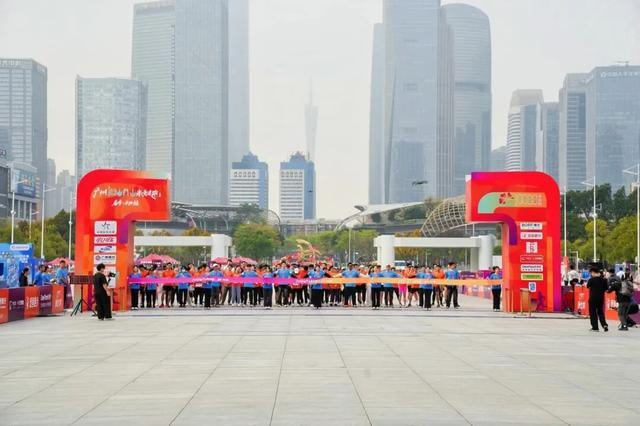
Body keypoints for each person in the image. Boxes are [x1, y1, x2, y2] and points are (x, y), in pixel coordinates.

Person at [586, 267, 609, 332]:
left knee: (593, 313)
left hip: (593, 298)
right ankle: (604, 325)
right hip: (601, 298)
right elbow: (606, 289)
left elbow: (588, 287)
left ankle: (595, 327)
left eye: (591, 273)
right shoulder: (604, 280)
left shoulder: (591, 280)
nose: (591, 274)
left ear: (593, 272)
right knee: (600, 312)